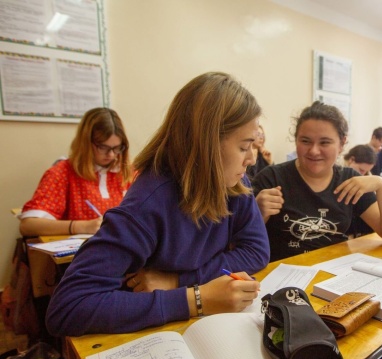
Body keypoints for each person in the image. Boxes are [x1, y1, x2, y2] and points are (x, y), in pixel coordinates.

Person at [46, 72, 269, 336]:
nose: (251, 159)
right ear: (207, 144)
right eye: (244, 147)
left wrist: (179, 281)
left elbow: (256, 250)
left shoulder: (234, 183)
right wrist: (195, 299)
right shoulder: (148, 203)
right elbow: (67, 307)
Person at [252, 101, 382, 261]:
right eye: (305, 141)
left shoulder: (350, 181)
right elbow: (242, 242)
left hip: (334, 270)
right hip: (284, 272)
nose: (314, 151)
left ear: (342, 144)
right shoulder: (271, 178)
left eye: (324, 142)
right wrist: (259, 212)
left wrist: (380, 185)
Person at [19, 108, 132, 237]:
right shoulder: (62, 173)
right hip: (79, 248)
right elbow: (28, 225)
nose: (111, 155)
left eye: (117, 148)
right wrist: (82, 226)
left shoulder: (129, 173)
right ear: (86, 143)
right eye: (103, 147)